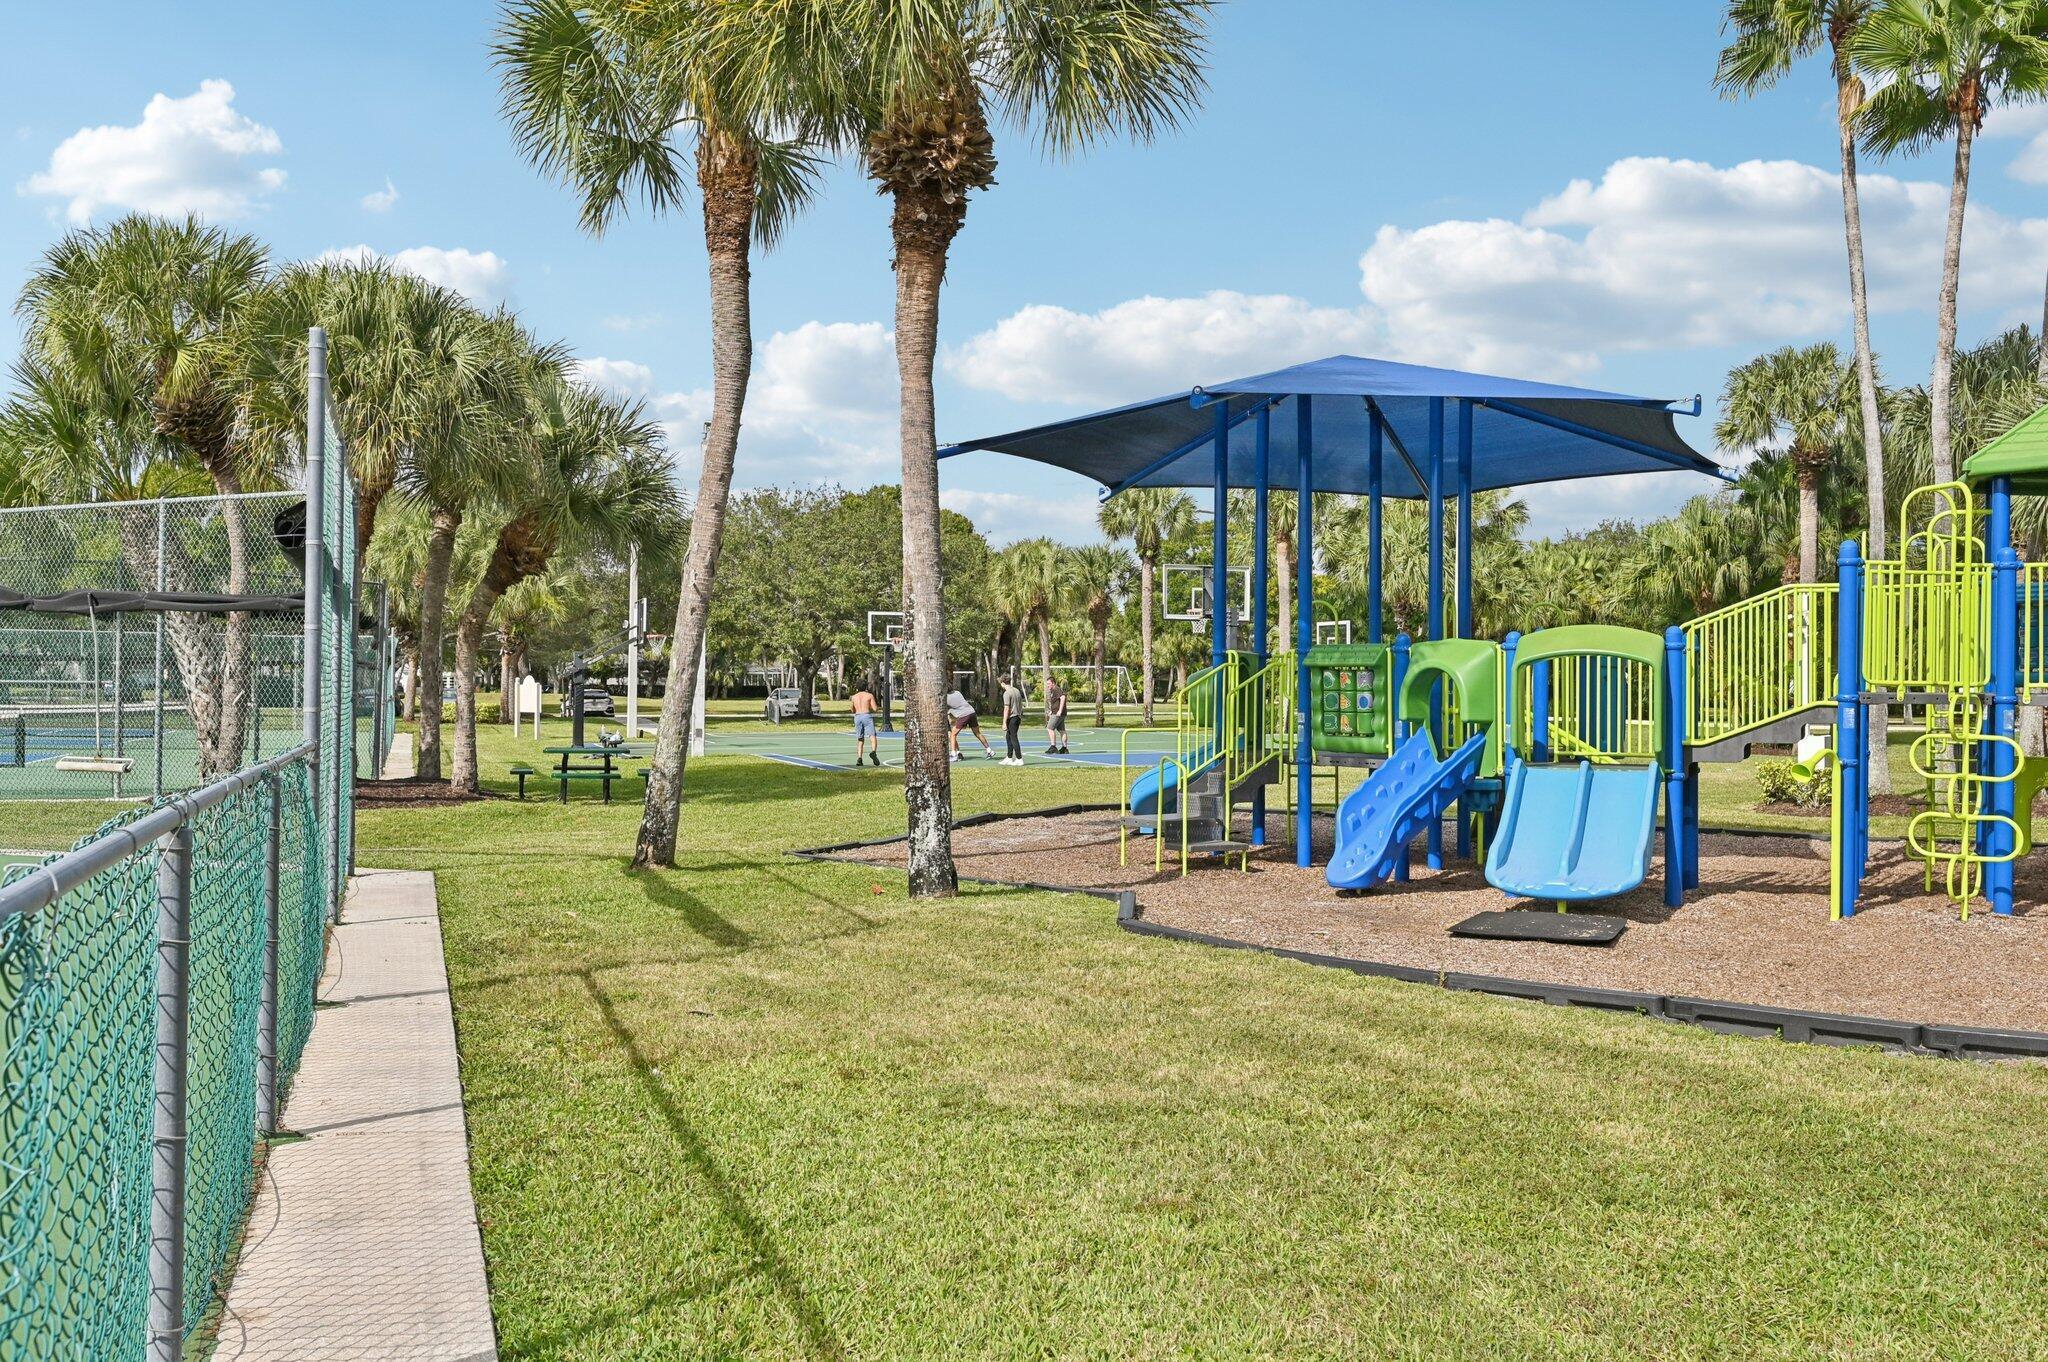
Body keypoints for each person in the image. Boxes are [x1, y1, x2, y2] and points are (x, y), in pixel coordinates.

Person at [946, 685, 995, 760]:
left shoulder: (946, 698)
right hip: (972, 712)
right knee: (978, 733)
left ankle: (953, 755)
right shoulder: (957, 692)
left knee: (953, 734)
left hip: (964, 715)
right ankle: (989, 750)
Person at [849, 679, 881, 767]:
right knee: (872, 736)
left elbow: (852, 709)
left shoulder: (854, 697)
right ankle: (873, 752)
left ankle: (859, 758)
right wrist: (870, 706)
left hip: (857, 717)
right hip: (866, 716)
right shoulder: (869, 695)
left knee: (860, 739)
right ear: (866, 686)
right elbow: (875, 708)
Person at [1001, 673, 1026, 766]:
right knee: (1008, 737)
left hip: (1012, 717)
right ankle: (1009, 757)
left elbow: (1006, 708)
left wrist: (1004, 722)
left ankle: (1019, 758)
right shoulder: (1016, 690)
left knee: (1013, 738)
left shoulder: (1007, 693)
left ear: (1003, 683)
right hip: (1017, 716)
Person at [1043, 676, 1069, 755]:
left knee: (1050, 728)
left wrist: (1059, 710)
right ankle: (1064, 748)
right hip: (1058, 713)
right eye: (1047, 684)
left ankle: (1053, 747)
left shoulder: (1056, 689)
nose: (1047, 685)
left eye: (1049, 683)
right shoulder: (1053, 690)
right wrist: (1051, 710)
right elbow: (1056, 702)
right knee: (1061, 730)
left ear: (1053, 683)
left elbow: (1063, 697)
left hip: (1058, 714)